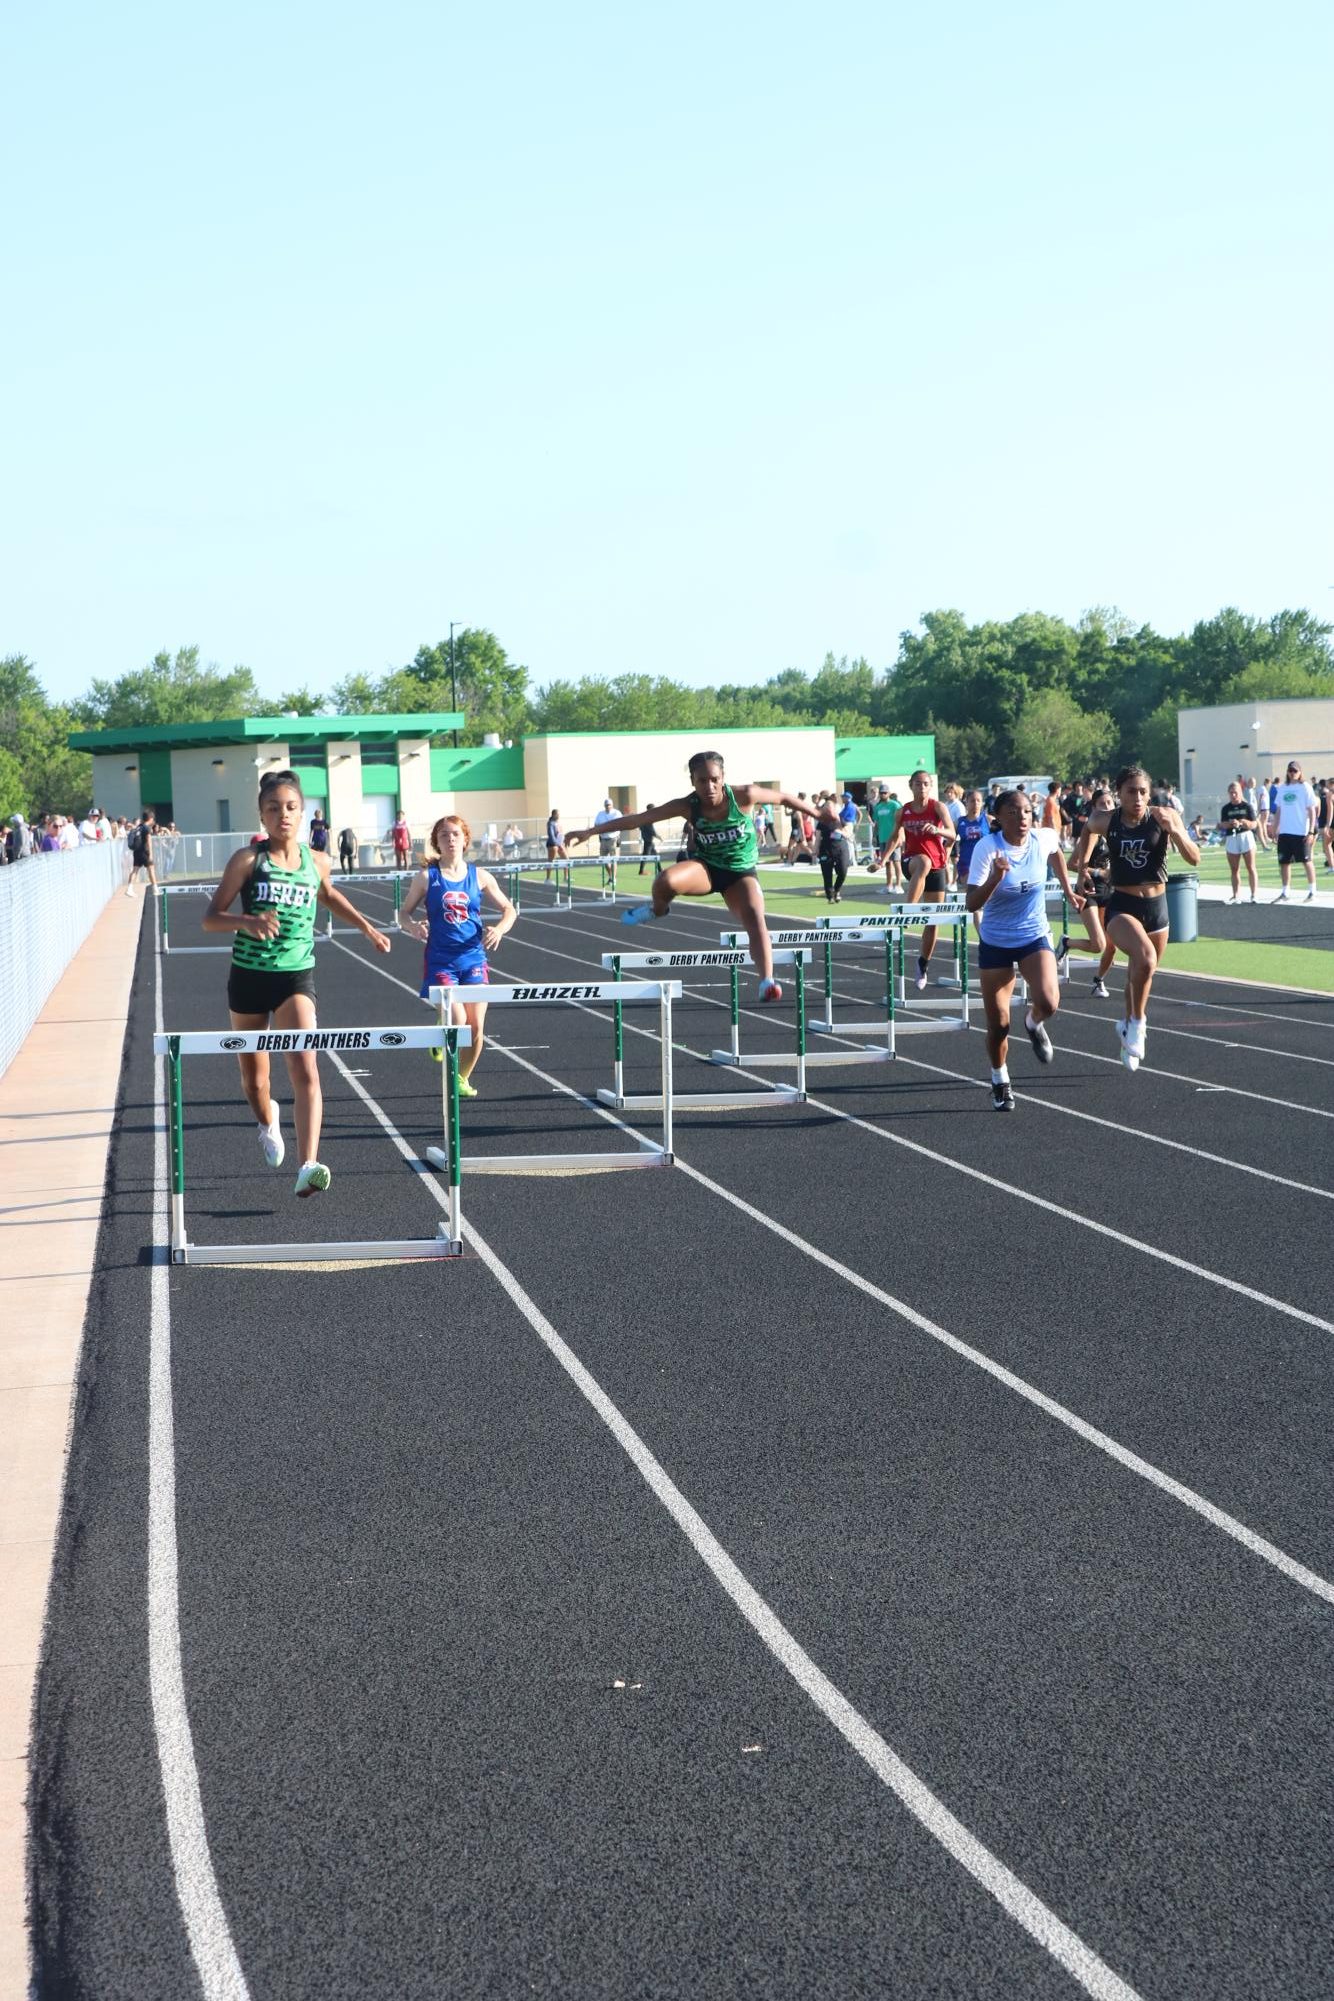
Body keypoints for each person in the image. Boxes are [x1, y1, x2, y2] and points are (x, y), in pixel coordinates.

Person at [202, 770, 392, 1196]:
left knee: (305, 1062)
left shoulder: (316, 860)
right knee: (254, 1081)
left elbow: (327, 894)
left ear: (303, 812)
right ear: (262, 817)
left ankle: (309, 1163)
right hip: (249, 977)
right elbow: (210, 918)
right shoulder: (248, 861)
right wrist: (246, 921)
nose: (282, 815)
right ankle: (267, 1119)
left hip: (294, 975)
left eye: (290, 807)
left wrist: (366, 927)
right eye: (273, 808)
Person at [566, 751, 815, 1000]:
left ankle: (767, 982)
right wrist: (590, 831)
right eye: (702, 781)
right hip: (706, 869)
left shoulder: (744, 796)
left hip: (740, 874)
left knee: (754, 916)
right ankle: (658, 909)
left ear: (723, 777)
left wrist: (818, 814)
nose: (709, 786)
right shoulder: (688, 805)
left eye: (714, 779)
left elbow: (783, 798)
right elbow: (637, 820)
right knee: (665, 881)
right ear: (693, 782)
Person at [1070, 763, 1200, 1072]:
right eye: (1131, 792)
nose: (1138, 798)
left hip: (1158, 907)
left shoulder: (1163, 817)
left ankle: (1127, 1022)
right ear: (1119, 794)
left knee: (1139, 975)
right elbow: (1089, 827)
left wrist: (1178, 830)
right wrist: (1082, 868)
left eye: (1143, 791)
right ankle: (1139, 1025)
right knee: (1144, 960)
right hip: (1123, 905)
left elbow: (1194, 858)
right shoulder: (1109, 820)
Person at [966, 789, 1084, 1109]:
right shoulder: (987, 849)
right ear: (999, 818)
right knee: (999, 1025)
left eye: (1027, 812)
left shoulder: (1042, 838)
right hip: (996, 942)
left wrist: (1068, 890)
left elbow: (1056, 852)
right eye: (1014, 813)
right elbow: (971, 903)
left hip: (1033, 935)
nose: (1022, 818)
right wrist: (995, 878)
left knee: (1049, 1001)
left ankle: (1033, 1023)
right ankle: (999, 1079)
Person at [398, 814, 517, 1097]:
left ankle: (461, 1078)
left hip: (473, 958)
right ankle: (443, 1023)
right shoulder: (428, 877)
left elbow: (509, 910)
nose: (450, 839)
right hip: (441, 960)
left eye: (455, 834)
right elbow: (403, 913)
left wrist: (499, 930)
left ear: (465, 839)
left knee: (476, 1029)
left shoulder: (480, 876)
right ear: (436, 842)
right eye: (444, 835)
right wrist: (413, 926)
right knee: (459, 1020)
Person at [880, 770, 956, 989]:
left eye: (925, 784)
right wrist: (883, 859)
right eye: (917, 784)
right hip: (911, 861)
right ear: (910, 785)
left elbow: (953, 833)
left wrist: (938, 831)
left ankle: (923, 963)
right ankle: (908, 912)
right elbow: (894, 837)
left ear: (930, 786)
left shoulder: (937, 807)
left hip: (937, 865)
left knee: (933, 921)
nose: (921, 787)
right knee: (922, 862)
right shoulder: (903, 811)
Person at [1054, 787, 1117, 995]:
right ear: (1094, 808)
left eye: (1110, 803)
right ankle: (1066, 942)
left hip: (1109, 892)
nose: (1108, 807)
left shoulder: (1116, 833)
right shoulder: (1090, 835)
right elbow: (1073, 863)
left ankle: (1099, 980)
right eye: (1102, 804)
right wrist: (1099, 873)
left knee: (1111, 946)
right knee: (1098, 944)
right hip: (1088, 891)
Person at [1268, 760, 1319, 901]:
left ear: (1300, 772)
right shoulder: (1283, 788)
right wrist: (1274, 828)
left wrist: (1310, 831)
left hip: (1300, 832)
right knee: (1284, 863)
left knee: (1306, 861)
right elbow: (1278, 810)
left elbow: (1311, 810)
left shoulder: (1305, 787)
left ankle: (1312, 891)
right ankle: (1285, 892)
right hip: (1285, 832)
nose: (1292, 773)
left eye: (1295, 771)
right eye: (1290, 771)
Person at [1217, 780, 1259, 903]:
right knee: (1234, 869)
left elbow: (1255, 824)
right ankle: (1236, 895)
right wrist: (1230, 824)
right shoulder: (1226, 808)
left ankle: (1254, 895)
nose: (1233, 795)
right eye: (1231, 793)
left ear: (1240, 792)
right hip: (1232, 837)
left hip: (1245, 836)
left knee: (1251, 867)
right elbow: (1223, 824)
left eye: (1235, 792)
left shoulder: (1247, 806)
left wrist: (1243, 823)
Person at [815, 794, 850, 903]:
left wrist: (841, 832)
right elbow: (817, 837)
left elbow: (848, 833)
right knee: (827, 873)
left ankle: (837, 890)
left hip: (840, 847)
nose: (829, 810)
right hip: (826, 848)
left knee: (843, 871)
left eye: (831, 807)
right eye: (827, 807)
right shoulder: (821, 822)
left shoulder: (840, 819)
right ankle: (830, 896)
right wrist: (815, 850)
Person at [868, 786, 901, 890]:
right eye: (881, 793)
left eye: (885, 793)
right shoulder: (878, 807)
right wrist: (874, 836)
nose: (883, 795)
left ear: (889, 793)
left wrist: (900, 836)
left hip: (893, 838)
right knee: (886, 862)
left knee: (896, 861)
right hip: (882, 837)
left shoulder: (895, 805)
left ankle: (898, 885)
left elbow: (900, 822)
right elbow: (876, 823)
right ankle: (889, 885)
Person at [125, 811, 157, 895]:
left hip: (137, 852)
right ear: (151, 818)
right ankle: (155, 889)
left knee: (135, 870)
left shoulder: (139, 827)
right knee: (151, 869)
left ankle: (129, 889)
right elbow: (149, 841)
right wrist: (150, 854)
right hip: (144, 852)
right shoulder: (147, 828)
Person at [544, 808, 567, 880]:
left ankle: (566, 877)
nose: (559, 816)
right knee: (551, 861)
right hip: (553, 845)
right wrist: (558, 844)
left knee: (566, 860)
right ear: (554, 815)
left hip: (560, 844)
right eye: (558, 814)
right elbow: (551, 835)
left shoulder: (558, 822)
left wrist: (562, 842)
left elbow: (560, 834)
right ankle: (547, 879)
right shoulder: (551, 823)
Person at [638, 806, 659, 876]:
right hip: (648, 841)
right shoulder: (648, 818)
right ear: (649, 809)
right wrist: (660, 837)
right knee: (645, 856)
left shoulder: (644, 817)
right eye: (653, 809)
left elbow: (640, 827)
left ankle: (660, 869)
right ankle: (641, 871)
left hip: (648, 840)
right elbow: (652, 831)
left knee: (655, 855)